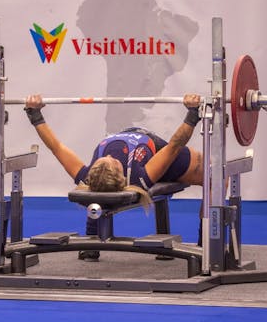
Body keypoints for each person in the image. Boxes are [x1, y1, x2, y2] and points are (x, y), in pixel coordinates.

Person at [24, 93, 204, 258]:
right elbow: (174, 145)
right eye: (112, 161)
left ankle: (91, 243)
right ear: (121, 176)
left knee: (97, 192)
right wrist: (192, 113)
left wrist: (34, 115)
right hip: (158, 152)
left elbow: (56, 147)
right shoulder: (137, 177)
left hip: (132, 140)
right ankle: (206, 246)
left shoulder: (87, 177)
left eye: (103, 160)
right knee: (214, 178)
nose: (109, 156)